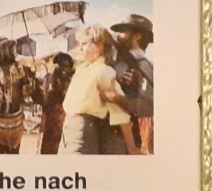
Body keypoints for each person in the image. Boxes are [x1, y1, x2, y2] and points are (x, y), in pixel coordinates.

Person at [60, 25, 136, 155]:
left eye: (84, 44)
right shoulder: (83, 69)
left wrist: (131, 147)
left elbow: (120, 114)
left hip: (82, 133)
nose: (80, 48)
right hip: (67, 131)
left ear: (98, 46)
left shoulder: (104, 72)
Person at [110, 13, 155, 153]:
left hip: (127, 140)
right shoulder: (118, 61)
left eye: (123, 31)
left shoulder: (145, 67)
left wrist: (116, 98)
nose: (118, 35)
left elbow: (147, 106)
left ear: (137, 36)